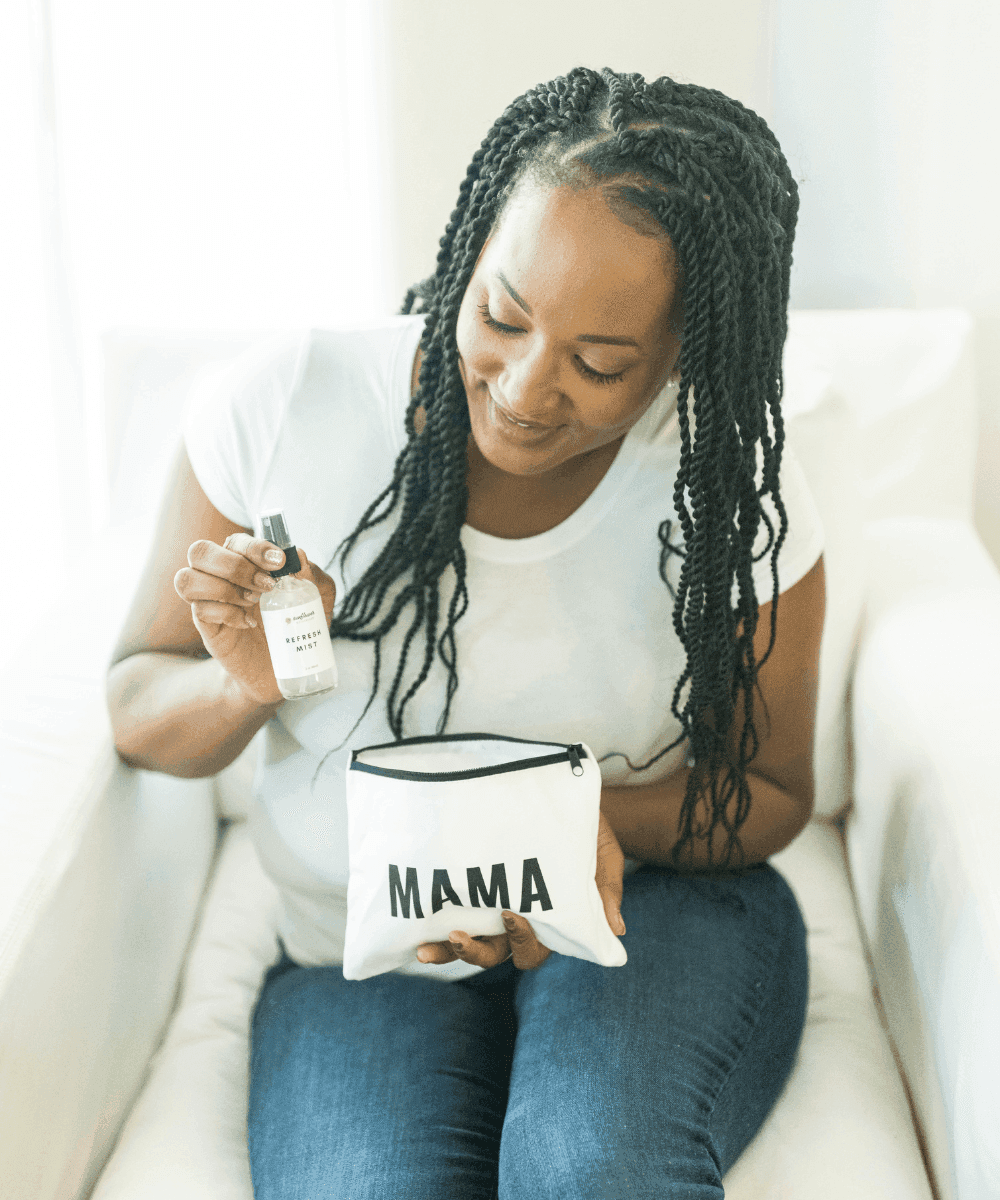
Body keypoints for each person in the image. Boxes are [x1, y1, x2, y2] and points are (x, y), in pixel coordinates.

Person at [107, 66, 826, 1199]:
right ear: (466, 253)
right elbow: (138, 709)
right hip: (361, 947)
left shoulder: (723, 483)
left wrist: (571, 819)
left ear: (687, 351)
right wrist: (242, 685)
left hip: (655, 906)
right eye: (498, 314)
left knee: (594, 1171)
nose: (525, 389)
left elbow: (770, 791)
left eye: (600, 365)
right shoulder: (282, 404)